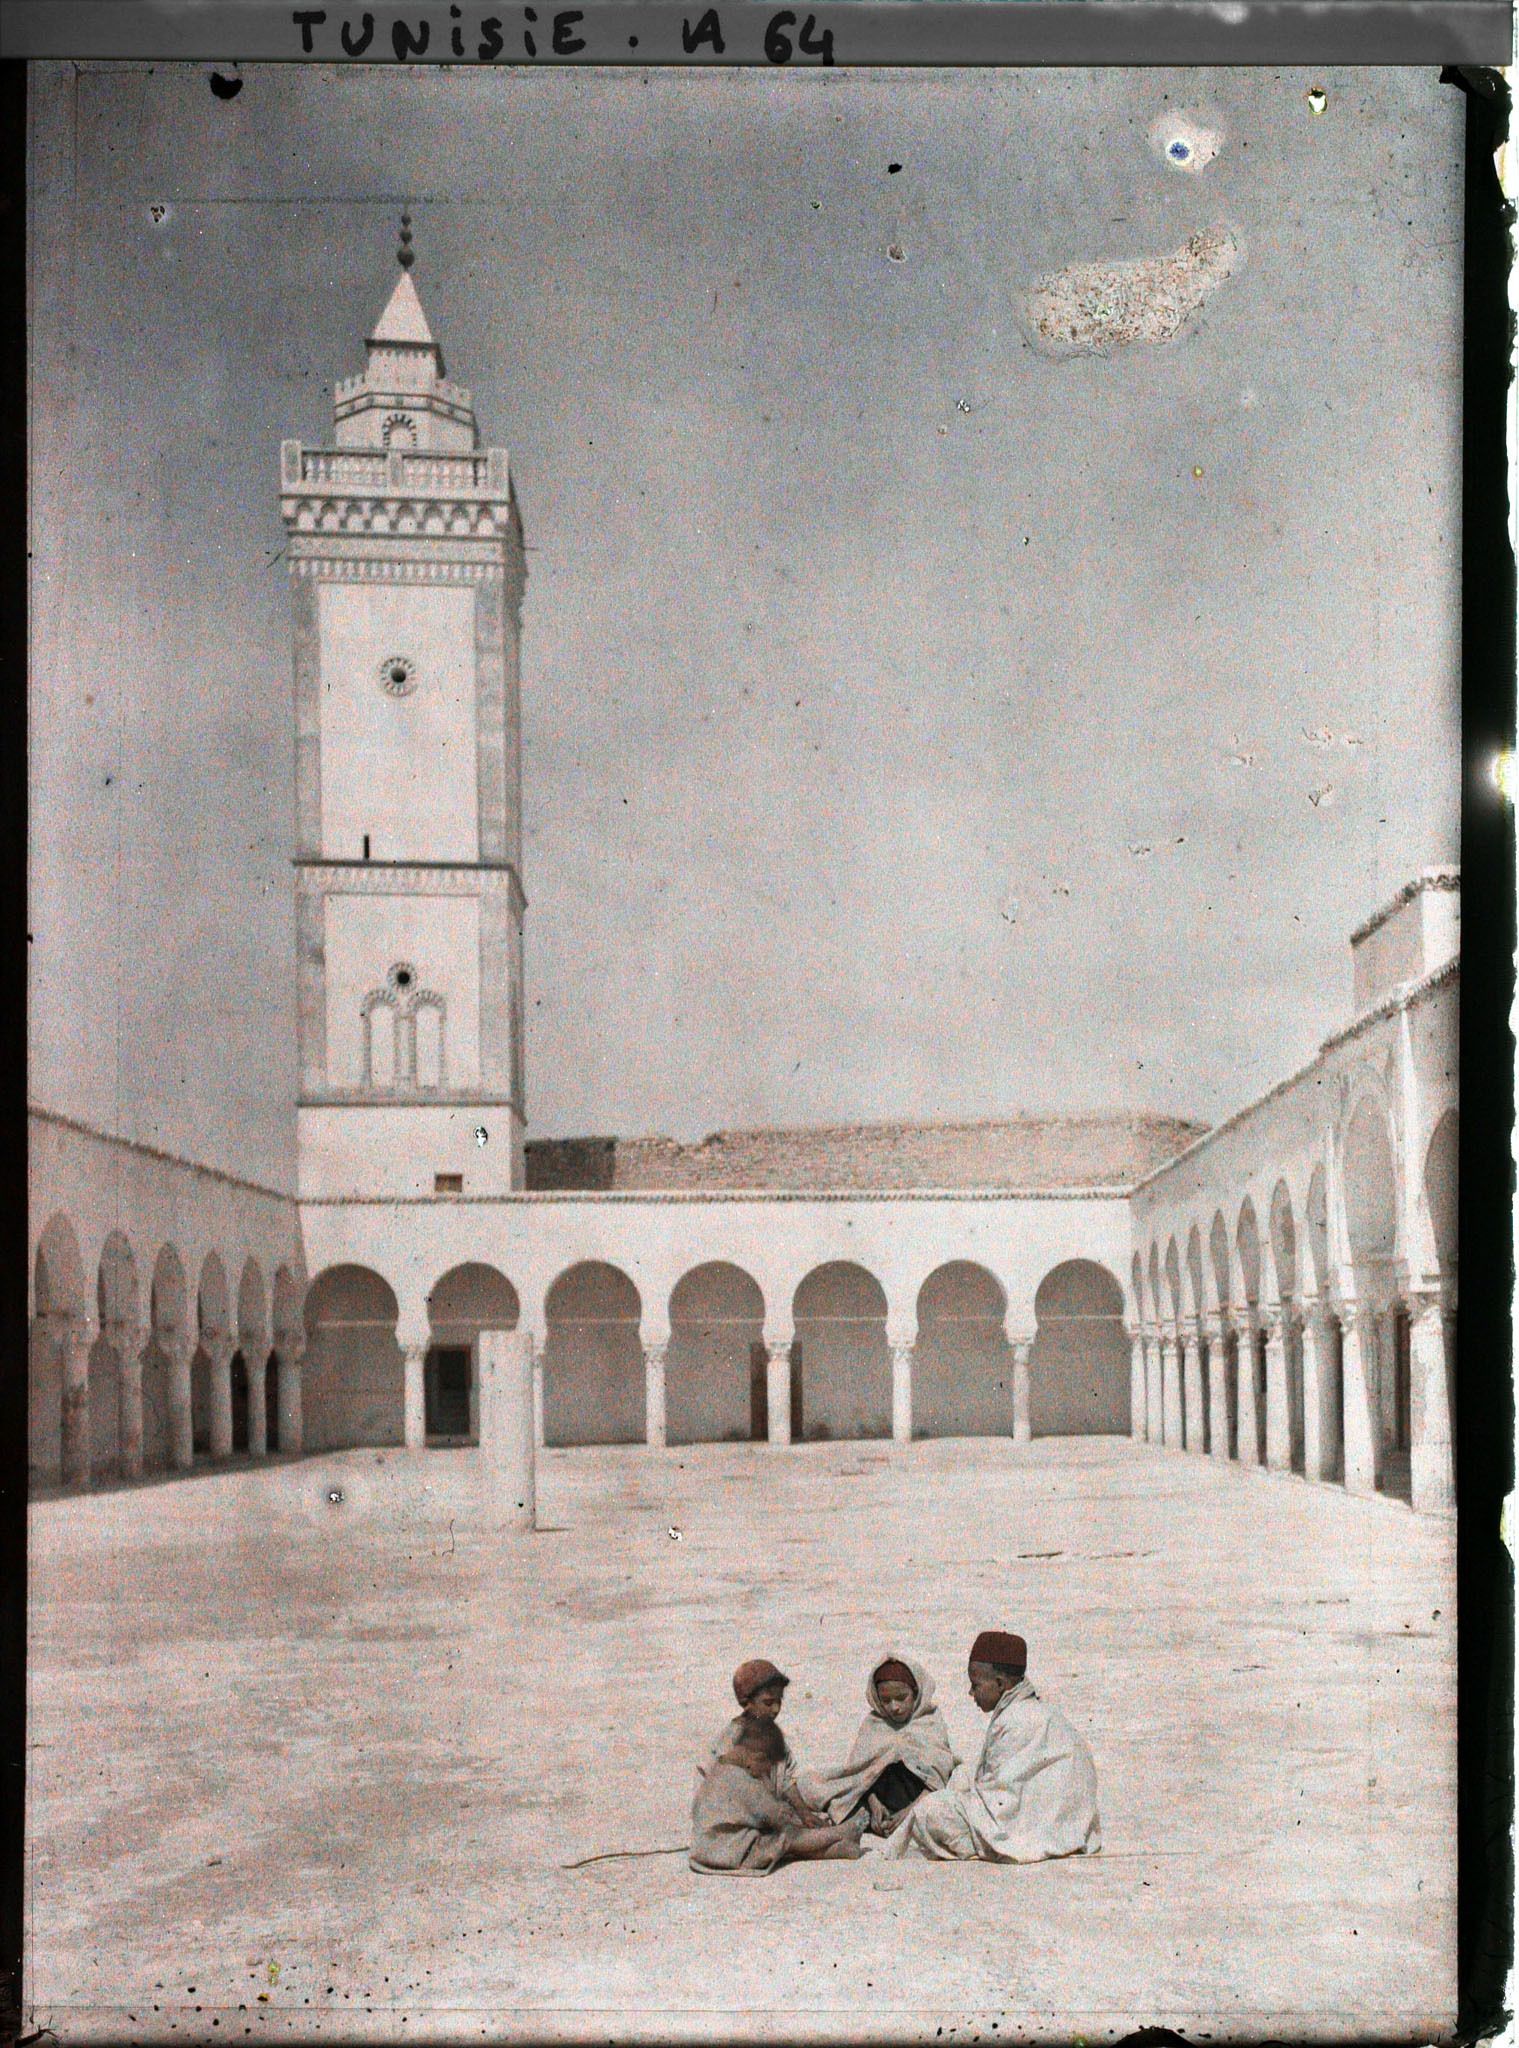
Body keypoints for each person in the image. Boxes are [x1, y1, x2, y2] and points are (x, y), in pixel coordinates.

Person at [882, 1630, 1101, 1863]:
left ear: (999, 1683)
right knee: (960, 1777)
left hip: (1032, 1830)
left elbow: (1000, 1802)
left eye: (975, 1685)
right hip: (1068, 1829)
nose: (971, 1692)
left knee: (931, 1811)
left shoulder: (1015, 1719)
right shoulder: (1037, 1711)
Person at [803, 1651, 958, 1836]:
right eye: (885, 1700)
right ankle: (876, 1820)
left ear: (916, 1693)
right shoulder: (874, 1723)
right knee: (814, 1785)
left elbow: (937, 1779)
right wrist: (874, 1803)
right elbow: (863, 1775)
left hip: (919, 1800)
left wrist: (911, 1812)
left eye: (901, 1698)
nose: (894, 1707)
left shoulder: (929, 1721)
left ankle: (892, 1822)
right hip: (879, 1798)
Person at [688, 1718, 867, 1874]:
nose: (766, 1772)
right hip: (728, 1853)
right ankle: (838, 1834)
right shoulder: (746, 1783)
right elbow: (776, 1816)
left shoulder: (722, 1770)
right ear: (755, 1759)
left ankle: (842, 1849)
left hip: (712, 1846)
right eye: (765, 1765)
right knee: (788, 1837)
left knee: (781, 1846)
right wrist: (801, 1823)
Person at [698, 1658, 827, 1823]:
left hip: (771, 1817)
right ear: (747, 1703)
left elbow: (785, 1779)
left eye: (779, 1701)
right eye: (768, 1703)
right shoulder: (730, 1740)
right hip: (737, 1823)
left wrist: (805, 1814)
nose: (776, 1709)